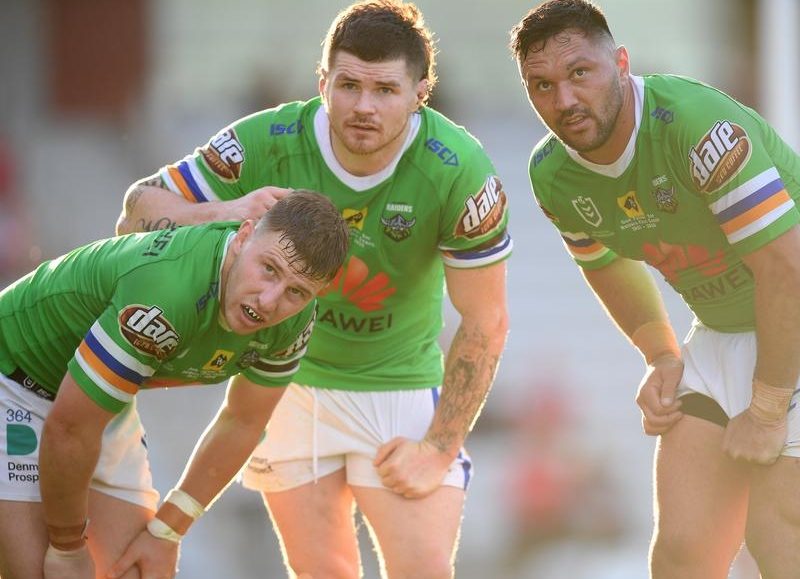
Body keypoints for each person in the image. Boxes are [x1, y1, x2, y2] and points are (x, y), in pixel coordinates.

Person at [116, 1, 511, 576]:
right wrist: (226, 210)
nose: (364, 106)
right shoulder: (270, 139)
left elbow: (485, 320)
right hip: (287, 383)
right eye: (348, 85)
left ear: (420, 93)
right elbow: (135, 214)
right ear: (322, 81)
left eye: (385, 90)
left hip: (399, 385)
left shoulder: (458, 168)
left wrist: (439, 447)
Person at [509, 1, 800, 577]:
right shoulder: (551, 174)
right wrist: (661, 354)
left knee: (777, 532)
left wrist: (768, 408)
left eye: (580, 73)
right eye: (542, 86)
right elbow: (603, 262)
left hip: (792, 318)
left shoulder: (696, 127)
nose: (564, 100)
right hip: (719, 333)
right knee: (681, 554)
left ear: (621, 63)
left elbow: (785, 271)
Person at [0, 190, 349, 579]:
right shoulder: (168, 289)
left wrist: (167, 531)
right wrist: (67, 548)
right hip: (13, 376)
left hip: (96, 399)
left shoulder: (295, 321)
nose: (269, 301)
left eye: (296, 292)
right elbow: (68, 429)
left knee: (136, 571)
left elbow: (244, 421)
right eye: (269, 269)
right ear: (243, 236)